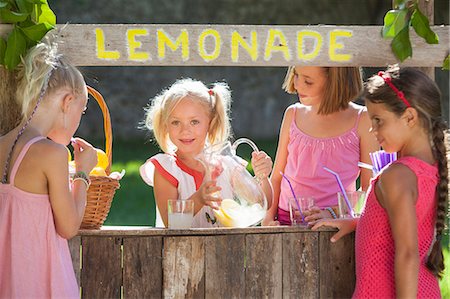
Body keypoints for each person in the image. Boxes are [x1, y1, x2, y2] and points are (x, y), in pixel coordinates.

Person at [313, 66, 446, 298]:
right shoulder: (430, 168)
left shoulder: (397, 175)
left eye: (378, 120)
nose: (372, 130)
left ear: (409, 117)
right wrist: (360, 223)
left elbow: (407, 254)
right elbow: (407, 222)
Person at [0, 35, 97, 298]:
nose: (80, 119)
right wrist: (82, 173)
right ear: (67, 102)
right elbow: (68, 226)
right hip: (40, 282)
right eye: (82, 110)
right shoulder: (52, 154)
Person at [140, 78, 273, 227]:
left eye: (194, 122)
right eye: (175, 122)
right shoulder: (167, 168)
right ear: (166, 125)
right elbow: (171, 223)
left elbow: (260, 203)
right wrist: (198, 199)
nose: (185, 130)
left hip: (226, 249)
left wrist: (263, 176)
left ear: (211, 122)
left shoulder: (227, 166)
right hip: (181, 250)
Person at [263, 66, 379, 226]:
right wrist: (268, 218)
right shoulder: (293, 114)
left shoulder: (362, 120)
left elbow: (370, 191)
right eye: (296, 75)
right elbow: (277, 177)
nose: (297, 85)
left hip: (335, 226)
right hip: (286, 221)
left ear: (335, 83)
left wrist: (333, 212)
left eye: (308, 82)